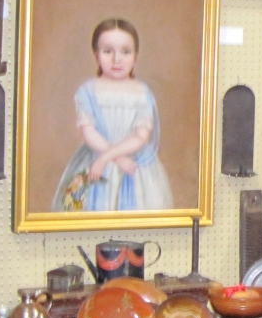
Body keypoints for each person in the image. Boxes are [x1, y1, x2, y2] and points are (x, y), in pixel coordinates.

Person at [52, 18, 174, 212]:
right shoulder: (87, 91)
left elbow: (141, 136)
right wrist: (116, 159)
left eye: (126, 52)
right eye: (108, 51)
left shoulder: (142, 92)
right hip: (94, 159)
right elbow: (88, 132)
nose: (117, 59)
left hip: (135, 166)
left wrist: (106, 158)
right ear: (96, 55)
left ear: (135, 57)